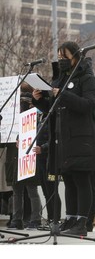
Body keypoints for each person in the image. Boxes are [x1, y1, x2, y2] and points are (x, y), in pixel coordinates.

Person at [32, 41, 95, 236]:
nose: (61, 61)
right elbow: (53, 111)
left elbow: (89, 105)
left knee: (81, 179)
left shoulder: (88, 79)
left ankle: (82, 221)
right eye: (59, 57)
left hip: (82, 138)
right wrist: (40, 100)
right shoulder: (59, 79)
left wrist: (62, 95)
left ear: (76, 57)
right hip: (63, 139)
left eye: (65, 57)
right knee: (69, 179)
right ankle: (70, 219)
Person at [8, 91, 42, 230]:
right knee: (17, 191)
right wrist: (18, 141)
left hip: (30, 159)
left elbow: (40, 136)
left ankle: (36, 219)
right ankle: (17, 219)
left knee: (32, 191)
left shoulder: (37, 118)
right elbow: (20, 135)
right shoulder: (20, 121)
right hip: (20, 158)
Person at [32, 108, 62, 228]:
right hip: (40, 160)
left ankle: (56, 219)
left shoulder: (52, 118)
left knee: (52, 190)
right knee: (46, 191)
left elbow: (55, 139)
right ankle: (50, 219)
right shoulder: (40, 118)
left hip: (51, 160)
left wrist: (43, 148)